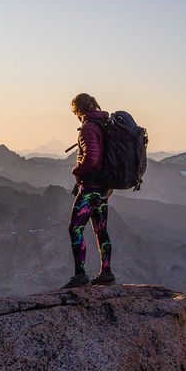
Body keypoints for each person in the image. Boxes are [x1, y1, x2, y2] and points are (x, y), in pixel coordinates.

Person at [63, 93, 115, 288]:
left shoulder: (88, 128)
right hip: (103, 188)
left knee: (75, 229)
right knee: (101, 230)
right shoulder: (104, 124)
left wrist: (76, 170)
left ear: (79, 110)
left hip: (90, 188)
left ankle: (80, 275)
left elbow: (91, 158)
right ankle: (106, 273)